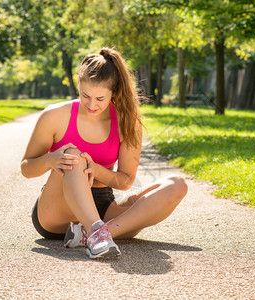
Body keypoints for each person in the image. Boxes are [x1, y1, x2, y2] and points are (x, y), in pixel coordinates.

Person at [21, 47, 187, 259]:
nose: (91, 104)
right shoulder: (54, 116)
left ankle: (96, 234)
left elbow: (125, 181)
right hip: (57, 210)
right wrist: (51, 160)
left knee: (177, 185)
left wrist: (95, 169)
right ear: (78, 85)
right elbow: (26, 168)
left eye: (100, 98)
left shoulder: (126, 122)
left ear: (114, 92)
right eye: (85, 95)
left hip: (103, 204)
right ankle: (97, 233)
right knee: (74, 155)